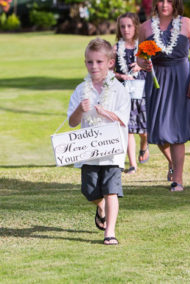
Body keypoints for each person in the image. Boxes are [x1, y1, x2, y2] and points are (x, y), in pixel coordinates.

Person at [67, 38, 130, 245]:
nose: (94, 66)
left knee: (111, 189)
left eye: (99, 62)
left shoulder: (118, 89)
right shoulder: (80, 90)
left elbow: (124, 118)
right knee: (90, 190)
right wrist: (79, 110)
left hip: (112, 150)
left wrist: (107, 112)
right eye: (90, 62)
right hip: (89, 151)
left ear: (110, 63)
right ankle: (99, 206)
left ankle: (109, 233)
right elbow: (72, 123)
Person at [137, 0, 190, 191]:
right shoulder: (145, 27)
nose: (164, 4)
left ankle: (178, 179)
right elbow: (140, 57)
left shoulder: (187, 24)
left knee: (178, 131)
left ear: (175, 3)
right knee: (159, 132)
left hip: (182, 78)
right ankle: (172, 162)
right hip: (157, 80)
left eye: (169, 0)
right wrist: (144, 63)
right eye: (160, 0)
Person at [113, 12, 149, 175]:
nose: (126, 29)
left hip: (141, 90)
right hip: (123, 92)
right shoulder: (115, 48)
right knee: (127, 128)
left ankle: (144, 144)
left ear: (136, 27)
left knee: (144, 130)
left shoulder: (143, 46)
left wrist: (141, 66)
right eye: (122, 26)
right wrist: (121, 76)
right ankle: (133, 164)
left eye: (129, 26)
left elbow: (153, 65)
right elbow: (109, 71)